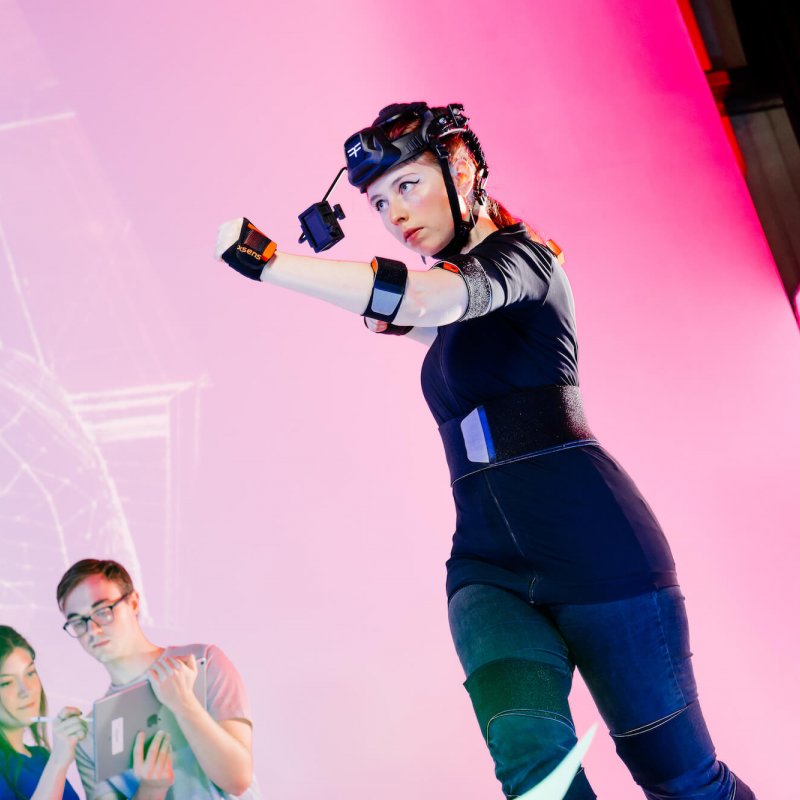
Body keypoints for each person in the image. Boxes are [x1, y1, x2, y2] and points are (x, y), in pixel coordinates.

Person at [214, 101, 755, 799]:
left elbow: (433, 299)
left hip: (598, 549)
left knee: (683, 782)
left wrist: (272, 265)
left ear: (462, 167)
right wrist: (381, 307)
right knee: (537, 776)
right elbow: (417, 311)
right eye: (378, 203)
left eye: (406, 186)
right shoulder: (453, 311)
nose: (393, 214)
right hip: (486, 565)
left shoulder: (525, 260)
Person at [56, 559, 259, 800]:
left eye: (103, 611)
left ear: (133, 603)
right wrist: (152, 790)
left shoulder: (202, 662)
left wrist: (184, 703)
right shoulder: (90, 733)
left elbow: (237, 780)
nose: (93, 629)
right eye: (79, 622)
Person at [0, 626, 83, 799]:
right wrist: (59, 761)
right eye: (6, 683)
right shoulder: (52, 762)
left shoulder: (41, 757)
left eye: (30, 673)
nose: (26, 690)